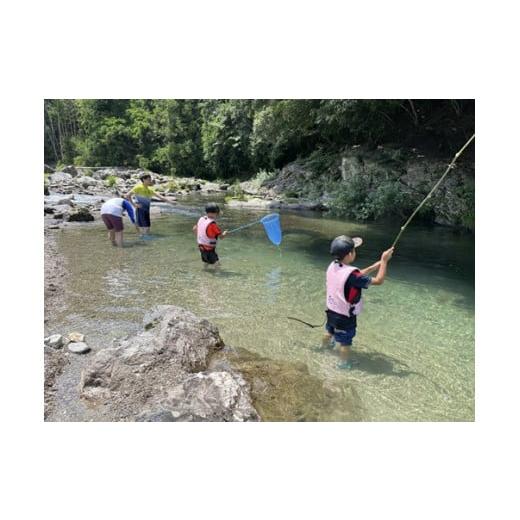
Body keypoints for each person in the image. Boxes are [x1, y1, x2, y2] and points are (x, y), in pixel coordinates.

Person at [322, 235, 394, 369]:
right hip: (345, 317)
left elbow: (355, 276)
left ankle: (323, 347)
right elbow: (379, 281)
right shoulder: (352, 275)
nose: (355, 252)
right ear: (350, 254)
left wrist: (374, 266)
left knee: (330, 331)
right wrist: (384, 261)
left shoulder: (333, 266)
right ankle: (343, 364)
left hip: (331, 311)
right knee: (345, 342)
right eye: (354, 250)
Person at [193, 203, 228, 267]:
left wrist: (200, 238)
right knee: (217, 264)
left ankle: (204, 272)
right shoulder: (212, 225)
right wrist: (225, 233)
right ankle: (218, 275)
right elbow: (221, 237)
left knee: (206, 261)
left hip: (201, 247)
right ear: (216, 213)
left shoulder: (202, 219)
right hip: (209, 249)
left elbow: (194, 228)